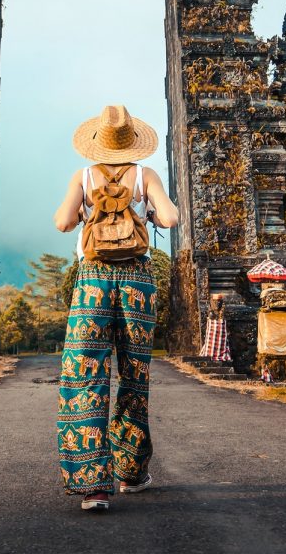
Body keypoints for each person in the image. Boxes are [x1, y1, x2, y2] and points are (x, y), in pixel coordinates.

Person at [53, 105, 178, 512]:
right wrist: (153, 210)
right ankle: (131, 472)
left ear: (97, 143)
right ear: (133, 142)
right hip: (137, 282)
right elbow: (172, 218)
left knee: (84, 374)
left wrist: (81, 217)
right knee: (133, 374)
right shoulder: (146, 175)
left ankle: (93, 488)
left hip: (92, 279)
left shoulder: (83, 176)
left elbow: (61, 223)